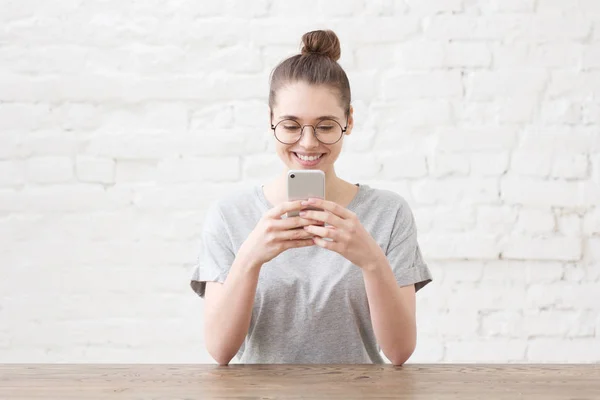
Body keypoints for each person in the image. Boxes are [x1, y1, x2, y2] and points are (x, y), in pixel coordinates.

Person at [190, 29, 432, 366]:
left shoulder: (388, 213)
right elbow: (220, 351)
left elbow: (399, 352)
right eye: (290, 125)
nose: (307, 143)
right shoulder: (230, 214)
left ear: (348, 122)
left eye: (326, 125)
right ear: (271, 121)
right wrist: (250, 257)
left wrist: (371, 260)